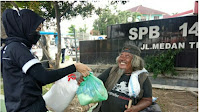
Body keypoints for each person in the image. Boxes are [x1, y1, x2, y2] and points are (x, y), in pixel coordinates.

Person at [1, 9, 91, 112]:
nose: (38, 34)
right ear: (24, 27)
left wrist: (68, 82)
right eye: (36, 30)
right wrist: (74, 67)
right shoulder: (18, 49)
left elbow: (32, 78)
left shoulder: (9, 48)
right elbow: (44, 77)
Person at [79, 42, 161, 112]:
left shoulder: (142, 78)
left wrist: (136, 108)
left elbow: (147, 99)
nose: (122, 58)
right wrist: (86, 80)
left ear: (135, 60)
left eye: (127, 56)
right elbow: (96, 83)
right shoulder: (112, 71)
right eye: (121, 55)